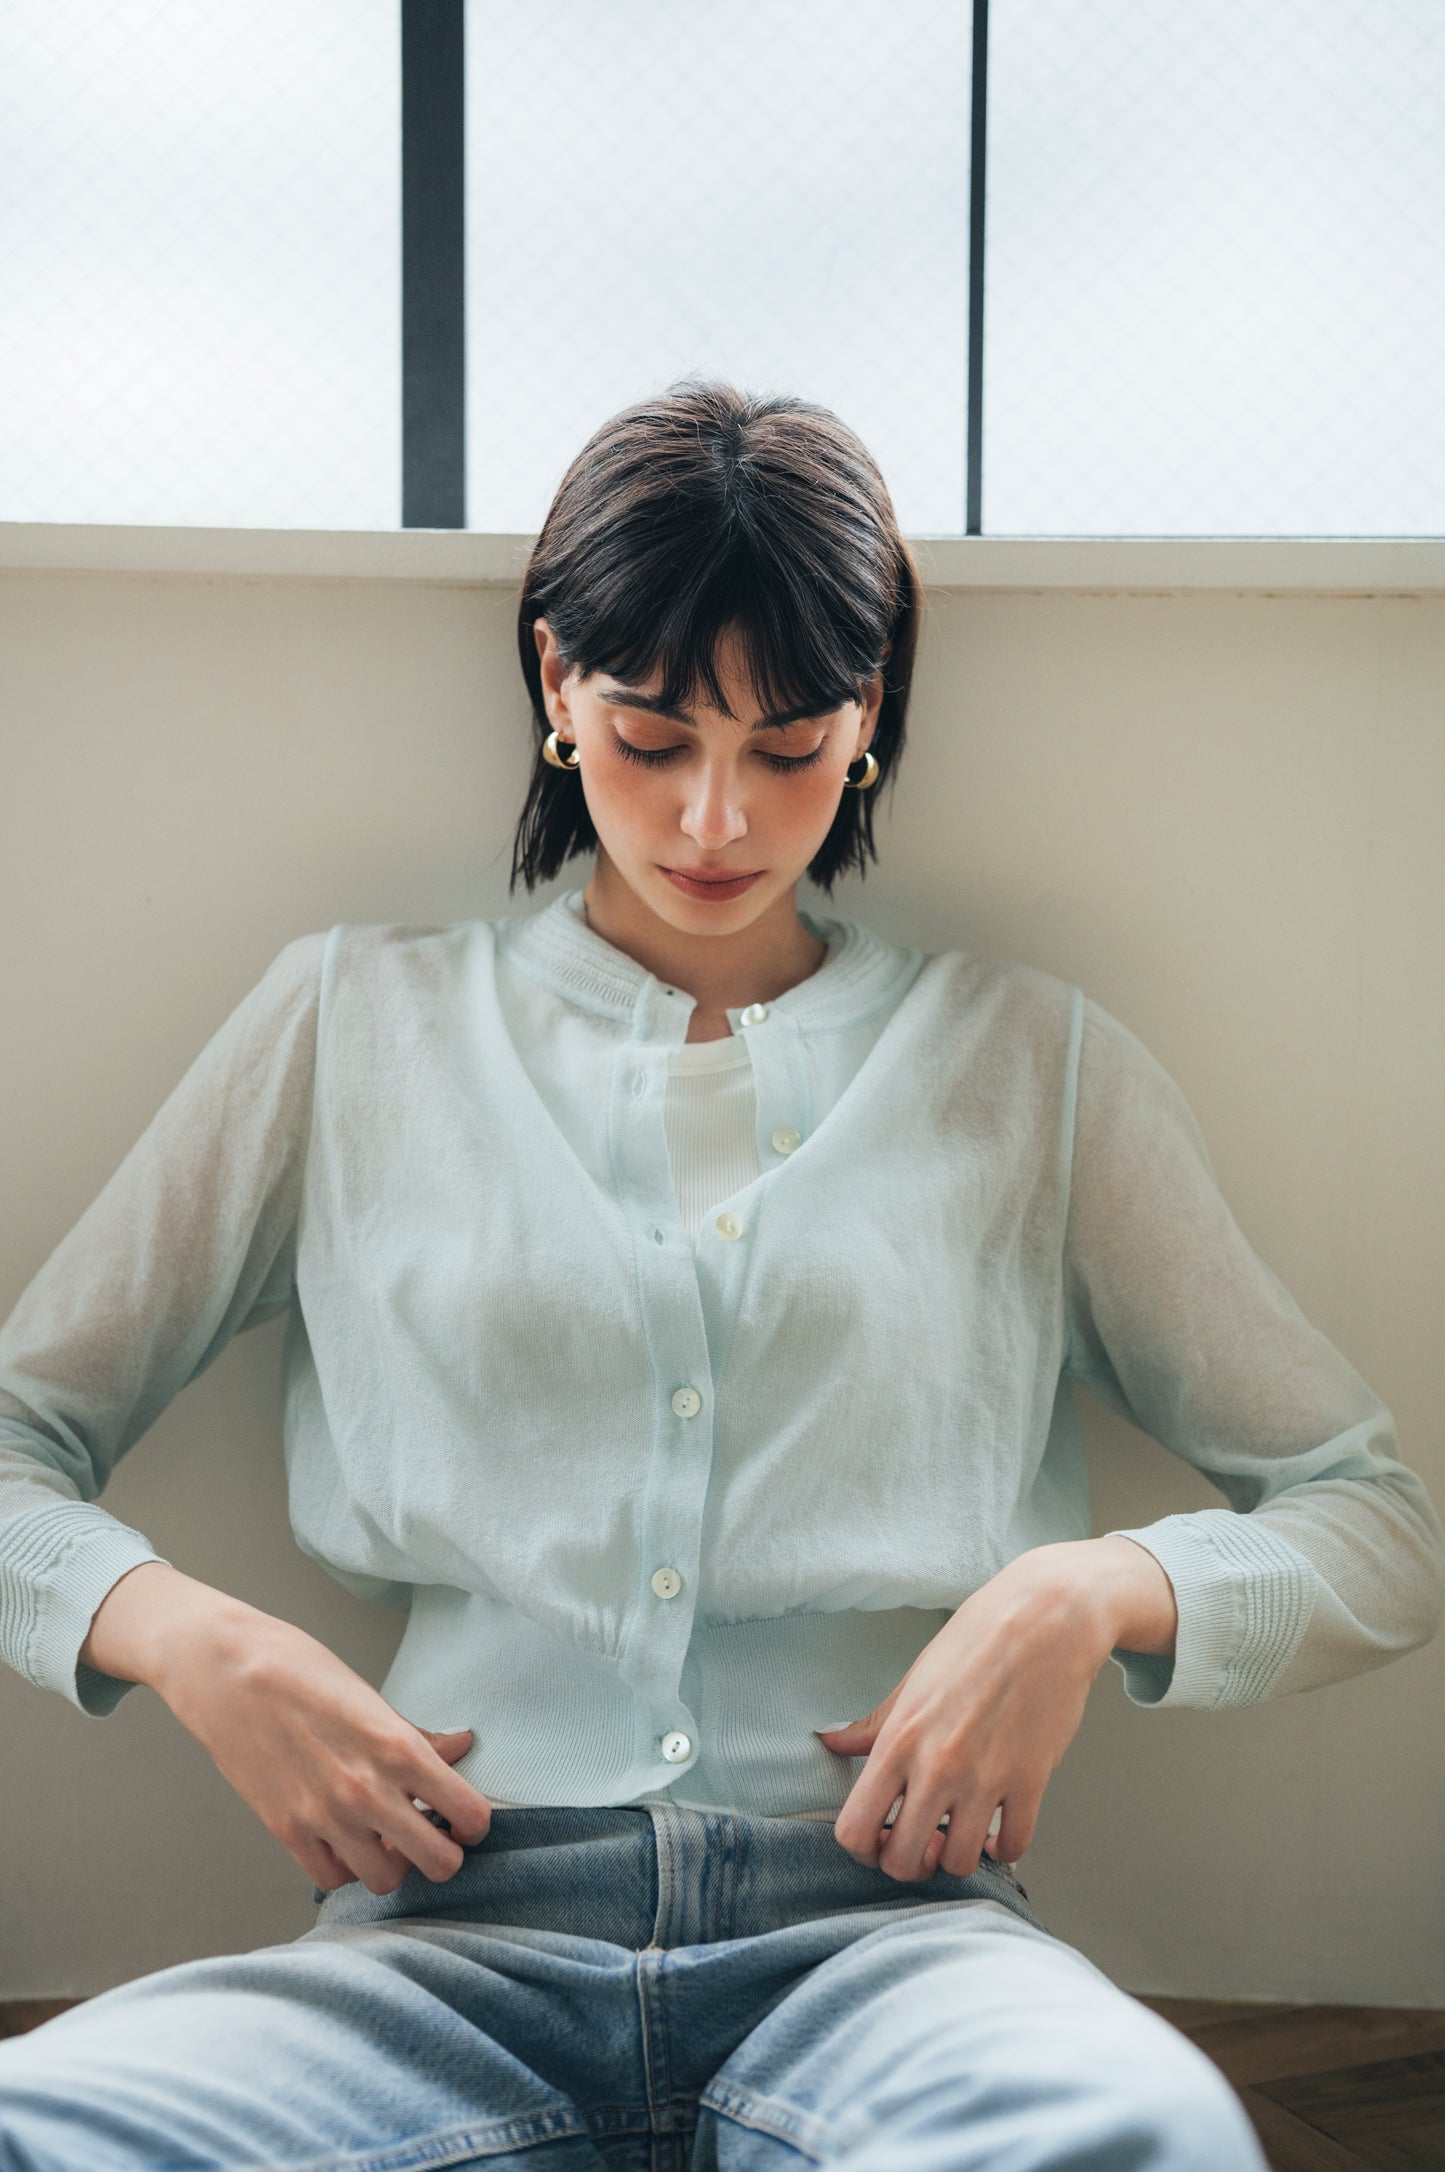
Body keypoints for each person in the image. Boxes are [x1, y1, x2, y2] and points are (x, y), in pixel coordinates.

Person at [0, 379, 1440, 2172]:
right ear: (553, 688)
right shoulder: (344, 1025)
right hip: (438, 1940)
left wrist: (1093, 1592)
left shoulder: (1029, 1064)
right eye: (647, 734)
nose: (708, 819)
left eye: (786, 747)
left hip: (896, 1946)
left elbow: (1374, 1521)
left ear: (871, 714)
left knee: (1142, 2144)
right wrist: (189, 1640)